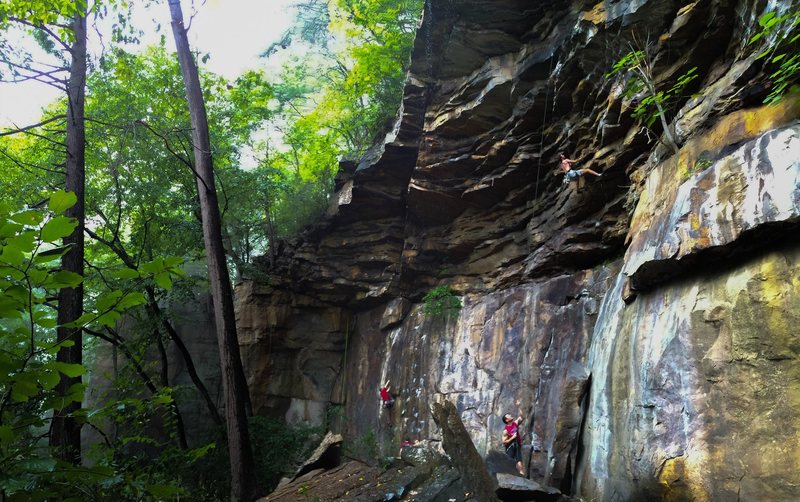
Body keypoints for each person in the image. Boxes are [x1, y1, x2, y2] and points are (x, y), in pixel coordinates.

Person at [502, 402, 525, 476]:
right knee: (509, 461)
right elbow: (504, 442)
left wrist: (519, 406)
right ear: (507, 420)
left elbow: (521, 417)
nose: (510, 415)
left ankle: (522, 475)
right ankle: (507, 475)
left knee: (519, 460)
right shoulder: (505, 430)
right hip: (510, 447)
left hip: (517, 445)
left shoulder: (515, 423)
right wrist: (512, 438)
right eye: (508, 416)